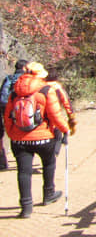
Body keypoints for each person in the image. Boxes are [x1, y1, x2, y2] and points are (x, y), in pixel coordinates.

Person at [4, 62, 70, 218]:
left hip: (19, 140)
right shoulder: (46, 90)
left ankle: (26, 207)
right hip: (44, 137)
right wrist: (65, 129)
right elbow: (55, 114)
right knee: (49, 164)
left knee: (23, 172)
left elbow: (7, 117)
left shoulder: (15, 92)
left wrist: (12, 134)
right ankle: (49, 194)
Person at [0, 59, 28, 170]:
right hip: (20, 108)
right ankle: (23, 158)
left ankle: (2, 162)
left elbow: (2, 96)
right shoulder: (26, 79)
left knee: (8, 134)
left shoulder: (9, 78)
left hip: (5, 108)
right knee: (22, 132)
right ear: (25, 68)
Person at [45, 69, 77, 156]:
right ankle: (54, 155)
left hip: (42, 118)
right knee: (57, 137)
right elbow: (66, 103)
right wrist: (71, 117)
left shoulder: (40, 86)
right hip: (55, 117)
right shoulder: (58, 87)